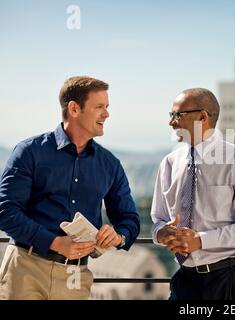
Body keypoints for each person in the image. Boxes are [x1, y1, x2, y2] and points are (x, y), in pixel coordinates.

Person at [0, 76, 140, 300]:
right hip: (26, 268)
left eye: (107, 107)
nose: (107, 114)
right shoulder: (29, 152)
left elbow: (129, 219)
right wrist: (54, 242)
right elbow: (5, 212)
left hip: (76, 276)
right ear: (74, 109)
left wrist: (118, 236)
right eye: (99, 107)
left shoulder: (110, 164)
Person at [151, 88, 235, 300]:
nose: (172, 122)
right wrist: (162, 233)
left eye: (178, 115)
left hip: (228, 282)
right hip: (184, 281)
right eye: (171, 115)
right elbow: (157, 220)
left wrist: (201, 241)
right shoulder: (169, 163)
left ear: (202, 117)